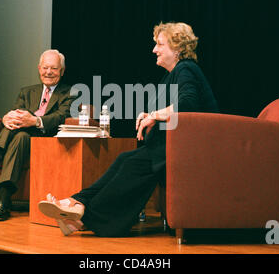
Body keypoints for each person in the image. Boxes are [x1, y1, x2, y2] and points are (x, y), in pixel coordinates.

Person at [38, 22, 219, 237]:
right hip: (170, 146)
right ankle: (77, 203)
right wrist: (151, 115)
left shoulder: (186, 68)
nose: (154, 49)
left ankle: (82, 215)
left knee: (132, 163)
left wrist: (154, 115)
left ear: (178, 48)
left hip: (191, 149)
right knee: (124, 159)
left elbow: (188, 104)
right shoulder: (172, 75)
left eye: (160, 44)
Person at [0, 49, 74, 221]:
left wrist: (34, 121)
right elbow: (16, 114)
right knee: (20, 136)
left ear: (61, 71)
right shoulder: (27, 92)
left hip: (45, 141)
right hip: (22, 138)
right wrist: (6, 118)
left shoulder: (70, 92)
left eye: (54, 68)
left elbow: (62, 116)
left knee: (20, 132)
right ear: (39, 69)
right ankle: (3, 201)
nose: (49, 72)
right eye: (45, 67)